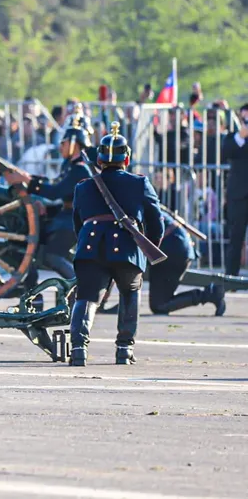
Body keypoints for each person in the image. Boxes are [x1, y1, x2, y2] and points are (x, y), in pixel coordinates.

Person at [69, 122, 164, 367]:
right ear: (127, 160)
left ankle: (78, 349)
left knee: (86, 298)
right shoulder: (139, 183)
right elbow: (157, 221)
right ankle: (124, 349)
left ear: (99, 160)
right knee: (130, 294)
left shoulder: (83, 186)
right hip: (128, 247)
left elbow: (78, 224)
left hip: (90, 246)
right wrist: (149, 246)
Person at [5, 115, 93, 307]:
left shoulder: (80, 169)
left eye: (63, 143)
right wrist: (30, 181)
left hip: (73, 220)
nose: (60, 147)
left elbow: (55, 192)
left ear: (73, 144)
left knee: (53, 256)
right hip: (64, 215)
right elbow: (55, 187)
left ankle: (83, 287)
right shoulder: (70, 166)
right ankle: (32, 294)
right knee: (32, 247)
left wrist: (28, 181)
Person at [101, 211, 225, 317]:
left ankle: (211, 294)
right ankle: (126, 303)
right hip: (170, 246)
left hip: (172, 249)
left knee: (159, 305)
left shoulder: (120, 212)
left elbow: (115, 263)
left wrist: (101, 302)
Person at [221, 104, 248, 276]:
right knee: (235, 238)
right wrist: (241, 136)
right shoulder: (233, 138)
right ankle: (231, 277)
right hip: (239, 196)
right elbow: (226, 152)